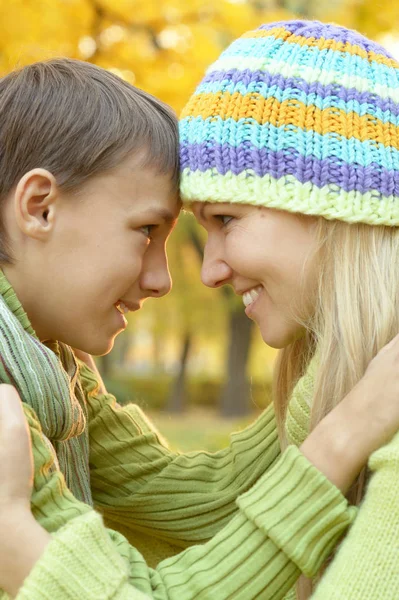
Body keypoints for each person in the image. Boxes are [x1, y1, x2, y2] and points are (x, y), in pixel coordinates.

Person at [0, 36, 398, 600]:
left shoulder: (48, 370)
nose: (181, 277)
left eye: (227, 219)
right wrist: (344, 432)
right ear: (39, 206)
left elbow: (196, 501)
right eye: (146, 231)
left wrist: (345, 388)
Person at [179, 18, 399, 598]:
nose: (209, 270)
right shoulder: (333, 394)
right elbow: (198, 502)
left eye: (226, 220)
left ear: (335, 205)